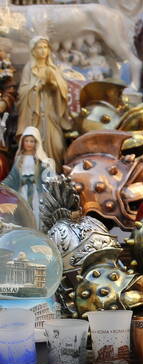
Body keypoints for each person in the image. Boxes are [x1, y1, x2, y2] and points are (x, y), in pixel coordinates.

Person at [17, 36, 68, 165]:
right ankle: (37, 179)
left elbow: (63, 90)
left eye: (45, 47)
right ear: (33, 51)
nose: (43, 50)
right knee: (35, 146)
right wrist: (35, 88)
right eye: (39, 47)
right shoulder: (29, 68)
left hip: (52, 115)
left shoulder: (53, 69)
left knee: (58, 146)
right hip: (35, 116)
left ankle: (55, 177)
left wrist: (53, 86)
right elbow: (22, 91)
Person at [3, 126, 54, 224]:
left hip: (35, 191)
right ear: (22, 142)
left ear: (36, 143)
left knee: (36, 210)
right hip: (22, 191)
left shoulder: (39, 160)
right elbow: (13, 176)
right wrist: (3, 185)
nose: (29, 144)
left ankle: (37, 229)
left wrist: (49, 166)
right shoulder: (19, 159)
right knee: (23, 211)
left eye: (32, 141)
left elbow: (46, 175)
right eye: (26, 141)